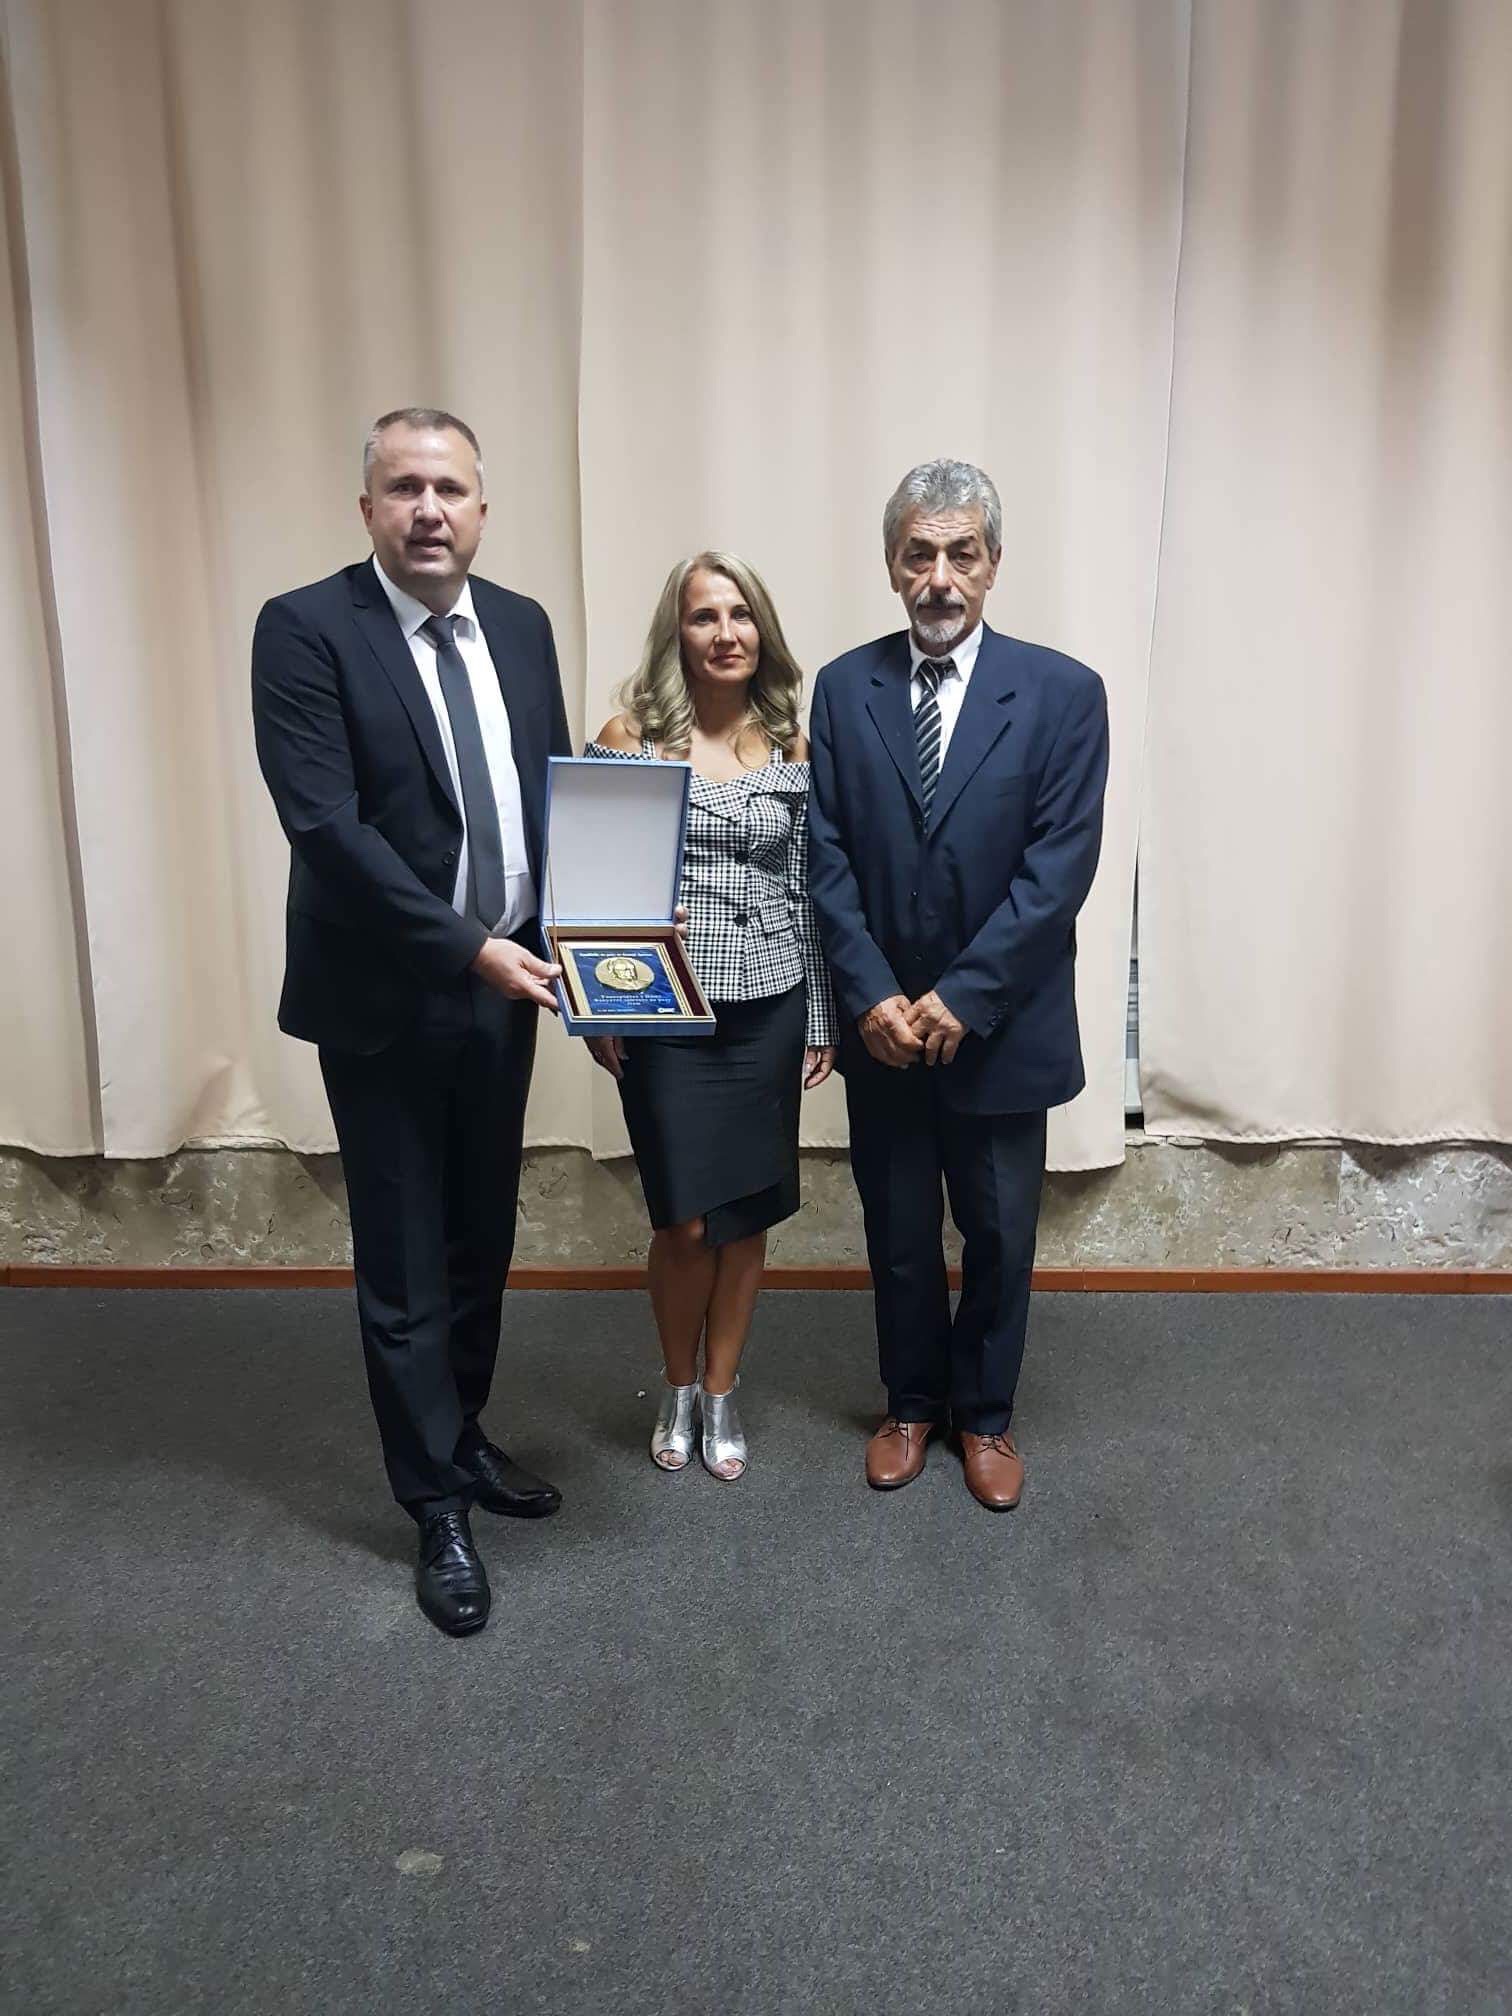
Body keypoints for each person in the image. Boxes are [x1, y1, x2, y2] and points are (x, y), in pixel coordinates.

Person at [252, 407, 571, 1635]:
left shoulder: (523, 626)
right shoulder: (306, 629)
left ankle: (464, 1433)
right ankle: (432, 1502)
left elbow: (551, 800)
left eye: (450, 488)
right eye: (404, 488)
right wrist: (469, 949)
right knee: (402, 1257)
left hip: (507, 990)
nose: (429, 509)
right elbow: (326, 829)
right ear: (367, 509)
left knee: (480, 1237)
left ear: (483, 508)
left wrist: (591, 951)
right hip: (387, 999)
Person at [806, 460, 1109, 1511]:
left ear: (993, 564)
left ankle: (983, 1416)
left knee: (998, 1235)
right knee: (897, 1234)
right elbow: (827, 856)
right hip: (884, 1028)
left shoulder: (1064, 693)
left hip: (1002, 1027)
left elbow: (1058, 869)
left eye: (960, 554)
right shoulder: (843, 688)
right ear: (892, 566)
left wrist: (964, 997)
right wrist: (871, 993)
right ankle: (909, 1404)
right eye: (919, 554)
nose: (939, 577)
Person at [585, 552, 836, 1480]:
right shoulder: (630, 738)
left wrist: (821, 1016)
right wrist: (599, 1007)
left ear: (760, 630)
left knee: (746, 1211)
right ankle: (677, 1381)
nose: (725, 633)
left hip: (770, 1002)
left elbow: (809, 889)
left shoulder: (791, 745)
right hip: (666, 1011)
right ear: (677, 634)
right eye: (704, 616)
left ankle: (722, 1389)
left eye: (740, 614)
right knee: (685, 1221)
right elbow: (591, 882)